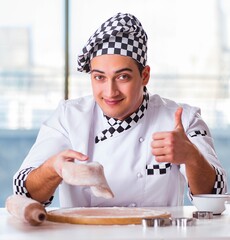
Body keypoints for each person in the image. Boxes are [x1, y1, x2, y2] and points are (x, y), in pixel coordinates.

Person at [13, 12, 227, 208]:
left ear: (145, 76)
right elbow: (25, 194)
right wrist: (53, 169)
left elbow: (215, 196)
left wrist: (191, 156)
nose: (110, 91)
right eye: (99, 77)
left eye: (122, 77)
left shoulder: (184, 119)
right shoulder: (68, 118)